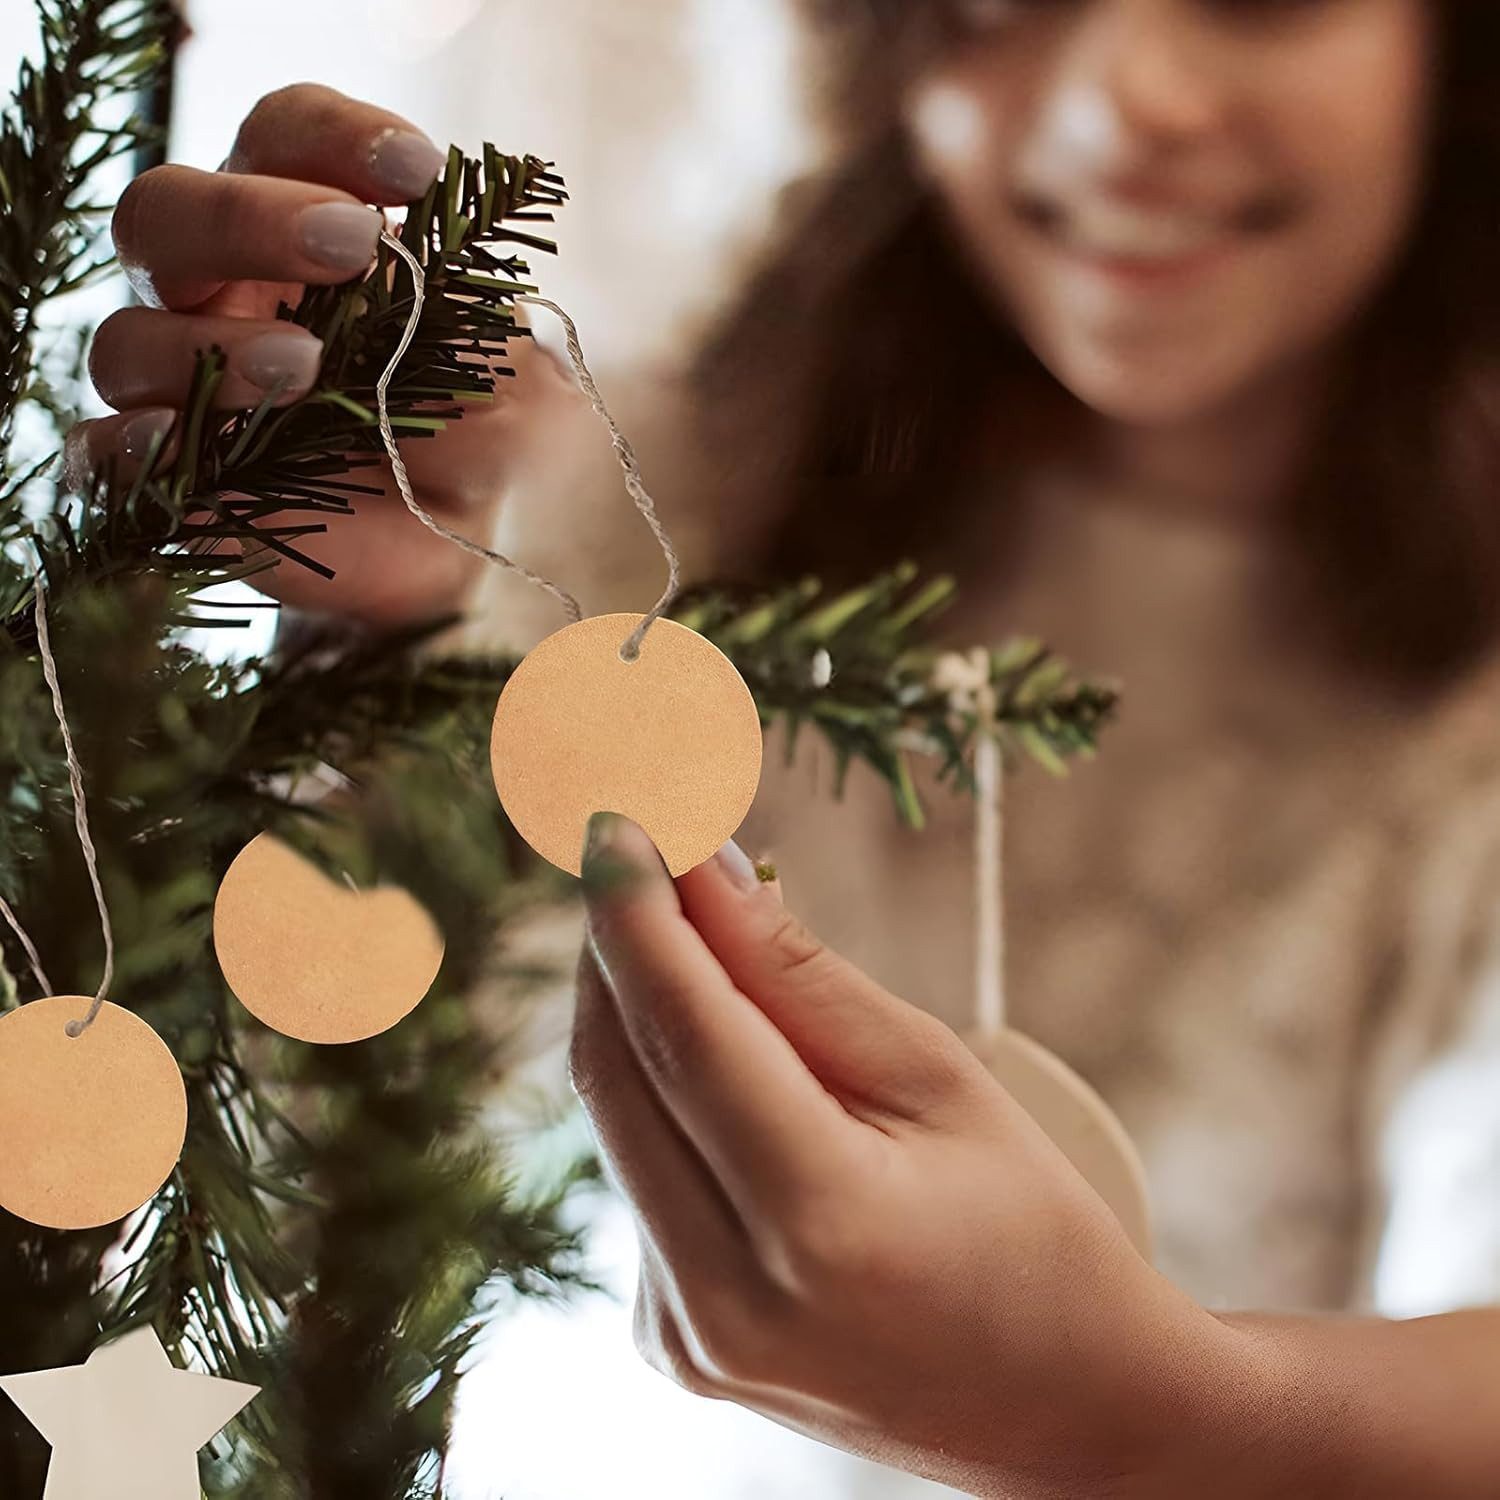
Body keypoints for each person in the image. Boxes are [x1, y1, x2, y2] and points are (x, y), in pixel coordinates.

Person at [71, 0, 1500, 1492]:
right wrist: (369, 647)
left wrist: (1143, 1410)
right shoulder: (655, 508)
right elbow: (321, 1151)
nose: (1115, 108)